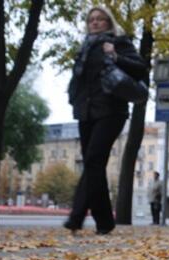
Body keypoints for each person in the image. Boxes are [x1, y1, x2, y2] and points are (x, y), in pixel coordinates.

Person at [63, 7, 147, 235]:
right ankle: (87, 219)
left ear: (109, 23)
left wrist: (116, 56)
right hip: (86, 111)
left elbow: (140, 69)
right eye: (91, 19)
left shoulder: (119, 43)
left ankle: (90, 219)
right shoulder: (85, 48)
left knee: (93, 160)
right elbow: (80, 80)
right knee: (92, 164)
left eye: (100, 19)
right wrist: (74, 101)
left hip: (112, 111)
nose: (95, 23)